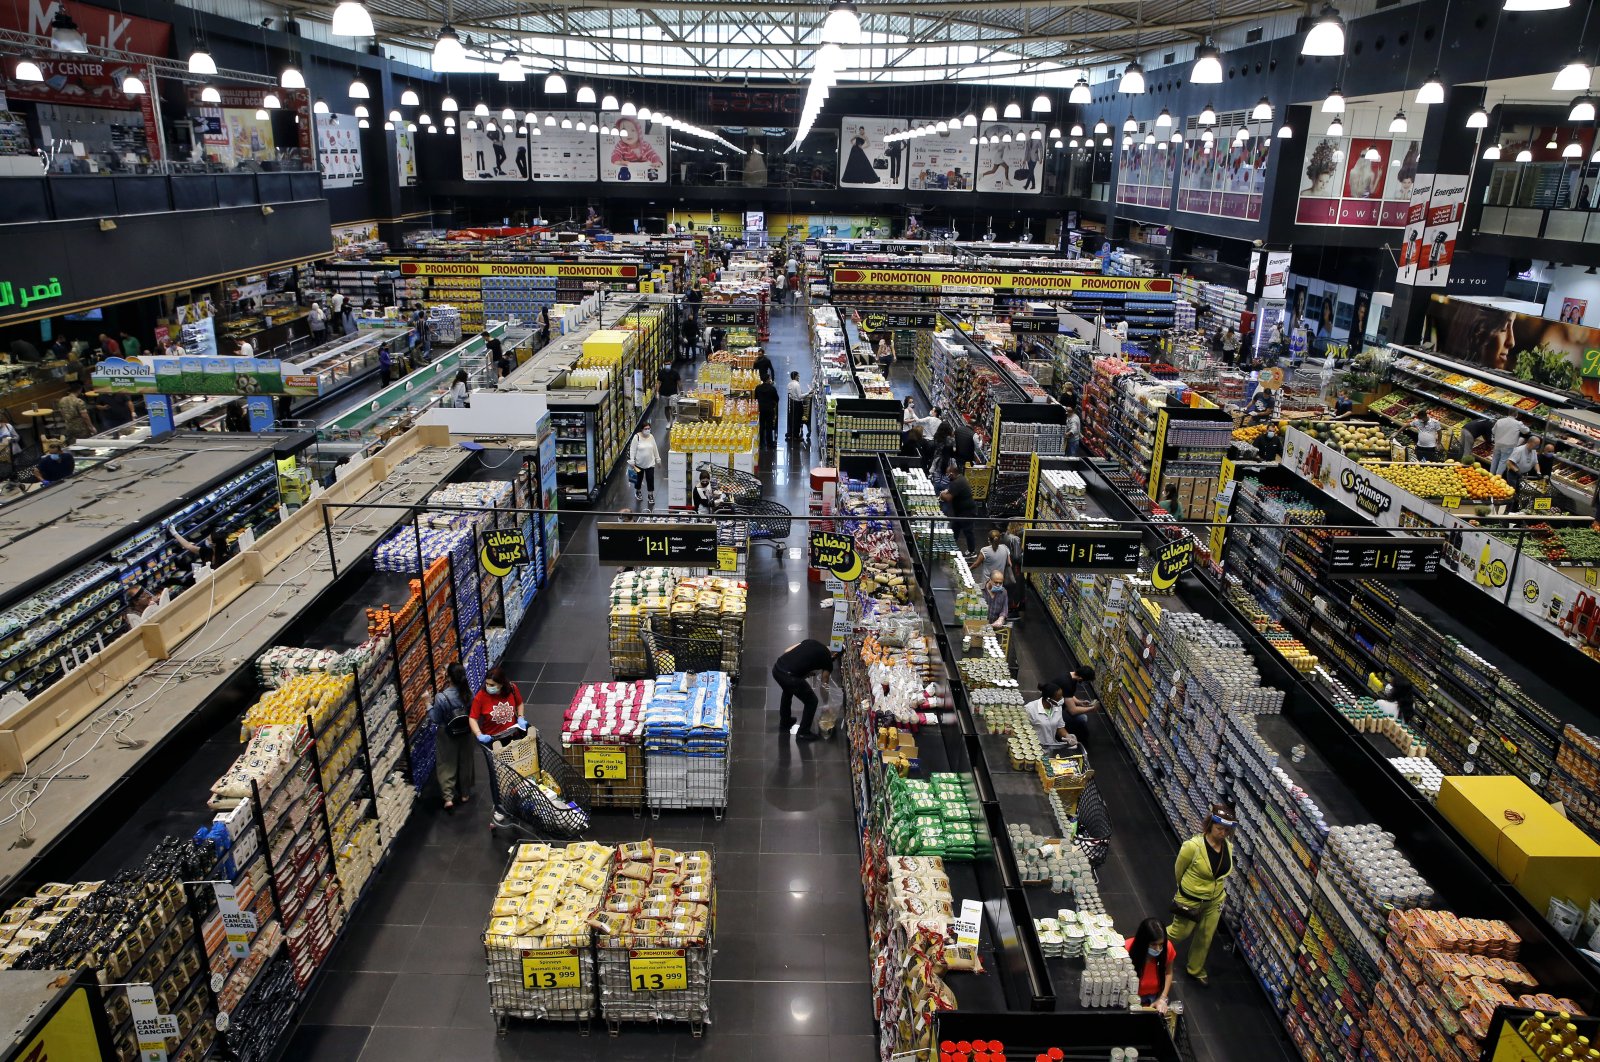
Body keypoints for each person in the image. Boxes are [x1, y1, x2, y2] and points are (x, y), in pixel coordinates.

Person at [1166, 802, 1236, 985]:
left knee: (1205, 936)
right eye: (1220, 828)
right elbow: (1179, 869)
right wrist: (1185, 889)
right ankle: (1147, 943)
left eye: (1226, 830)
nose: (1223, 833)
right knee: (1179, 933)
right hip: (1191, 898)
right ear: (1210, 825)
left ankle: (1195, 969)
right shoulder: (1193, 846)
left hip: (1215, 900)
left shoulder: (1228, 847)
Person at [771, 638, 840, 740]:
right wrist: (826, 704)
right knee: (812, 701)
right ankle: (803, 732)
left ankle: (785, 721)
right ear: (835, 655)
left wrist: (804, 670)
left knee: (787, 691)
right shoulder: (828, 660)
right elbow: (824, 682)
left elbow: (787, 651)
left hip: (777, 668)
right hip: (790, 677)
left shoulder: (811, 641)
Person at [429, 662, 475, 811]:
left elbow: (435, 718)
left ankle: (448, 798)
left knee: (446, 763)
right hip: (466, 731)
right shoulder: (469, 693)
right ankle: (465, 793)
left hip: (447, 733)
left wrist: (426, 704)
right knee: (465, 761)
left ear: (448, 677)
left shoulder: (441, 698)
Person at [1126, 918, 1177, 1011]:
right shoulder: (1126, 949)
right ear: (1143, 942)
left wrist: (1162, 998)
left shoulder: (1167, 948)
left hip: (1155, 997)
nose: (1158, 949)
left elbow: (1168, 973)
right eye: (1153, 944)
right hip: (1130, 997)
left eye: (1161, 944)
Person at [469, 666, 527, 744]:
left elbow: (519, 704)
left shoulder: (512, 688)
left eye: (492, 685)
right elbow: (473, 718)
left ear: (501, 684)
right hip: (493, 740)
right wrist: (479, 734)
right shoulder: (480, 697)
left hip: (513, 735)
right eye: (487, 684)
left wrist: (520, 717)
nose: (488, 687)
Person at [1046, 666, 1100, 746]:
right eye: (1086, 681)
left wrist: (1079, 702)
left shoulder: (1070, 676)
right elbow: (1073, 710)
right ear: (1081, 678)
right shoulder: (1067, 683)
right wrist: (1091, 709)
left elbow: (1069, 694)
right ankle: (1056, 730)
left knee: (1082, 717)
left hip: (1053, 706)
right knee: (1082, 719)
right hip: (1049, 712)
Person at [941, 462, 979, 555]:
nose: (946, 475)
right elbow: (952, 491)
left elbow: (948, 498)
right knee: (955, 529)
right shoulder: (960, 478)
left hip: (967, 512)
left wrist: (942, 494)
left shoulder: (957, 482)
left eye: (947, 474)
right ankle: (950, 547)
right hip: (961, 511)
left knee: (968, 531)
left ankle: (971, 551)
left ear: (952, 473)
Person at [1024, 683, 1074, 748]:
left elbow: (1059, 727)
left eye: (1061, 696)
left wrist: (1067, 736)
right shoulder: (1029, 709)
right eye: (1058, 699)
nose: (1061, 700)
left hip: (1051, 746)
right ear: (1048, 699)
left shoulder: (1057, 706)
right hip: (1035, 747)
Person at [629, 421, 660, 508]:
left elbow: (655, 448)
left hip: (650, 463)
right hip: (639, 463)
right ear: (642, 429)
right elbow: (632, 449)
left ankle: (650, 494)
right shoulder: (637, 437)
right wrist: (632, 460)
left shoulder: (651, 437)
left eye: (649, 429)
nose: (648, 430)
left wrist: (658, 458)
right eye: (646, 429)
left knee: (650, 478)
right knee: (639, 479)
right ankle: (638, 491)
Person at [754, 373, 780, 449]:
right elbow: (777, 399)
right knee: (769, 426)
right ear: (768, 379)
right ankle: (770, 443)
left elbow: (755, 398)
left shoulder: (758, 388)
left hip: (761, 409)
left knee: (761, 426)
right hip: (770, 409)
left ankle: (761, 443)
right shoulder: (772, 388)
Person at [786, 370, 806, 444]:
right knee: (798, 419)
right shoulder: (797, 384)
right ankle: (796, 436)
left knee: (792, 418)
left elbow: (790, 393)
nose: (799, 377)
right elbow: (800, 396)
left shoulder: (789, 384)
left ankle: (791, 433)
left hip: (792, 403)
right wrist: (808, 393)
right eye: (798, 376)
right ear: (796, 376)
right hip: (797, 404)